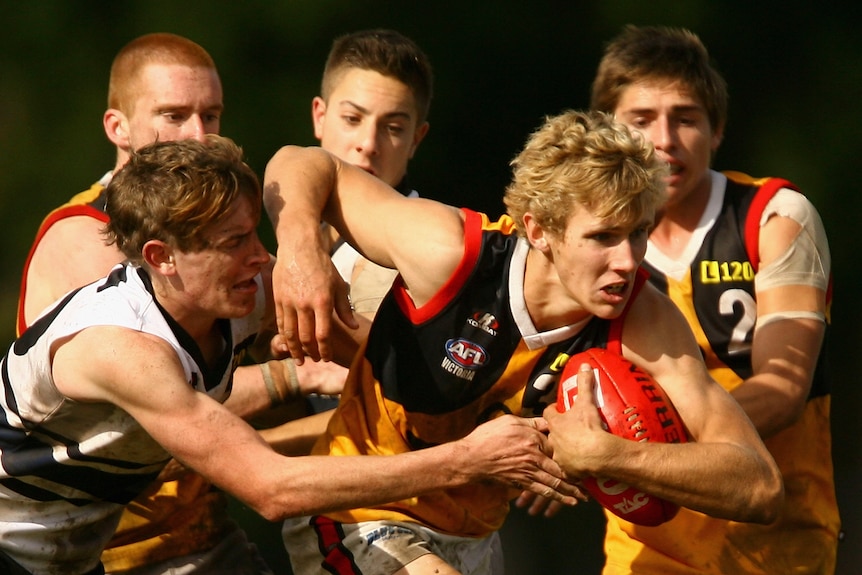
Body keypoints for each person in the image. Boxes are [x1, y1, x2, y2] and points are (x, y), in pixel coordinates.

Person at [0, 135, 577, 575]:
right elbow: (271, 490)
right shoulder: (124, 349)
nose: (260, 258)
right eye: (234, 244)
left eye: (255, 233)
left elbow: (385, 360)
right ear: (162, 256)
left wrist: (509, 411)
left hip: (68, 552)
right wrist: (468, 459)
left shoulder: (235, 291)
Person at [262, 110, 784, 575]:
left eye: (639, 233)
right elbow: (303, 163)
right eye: (603, 237)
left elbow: (758, 483)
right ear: (538, 230)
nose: (628, 261)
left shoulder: (645, 318)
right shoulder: (451, 254)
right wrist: (299, 249)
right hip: (360, 515)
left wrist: (608, 456)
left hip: (476, 540)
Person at [13, 32, 340, 575]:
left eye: (211, 116)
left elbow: (302, 166)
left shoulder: (211, 220)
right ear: (117, 127)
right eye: (173, 114)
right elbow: (169, 401)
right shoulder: (86, 239)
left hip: (197, 521)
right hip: (115, 547)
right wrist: (295, 376)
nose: (199, 135)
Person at [589, 25, 839, 574]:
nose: (664, 139)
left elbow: (782, 392)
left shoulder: (774, 218)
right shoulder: (587, 239)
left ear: (717, 130)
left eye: (686, 118)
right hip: (644, 548)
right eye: (641, 119)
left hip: (775, 538)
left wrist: (627, 452)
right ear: (607, 132)